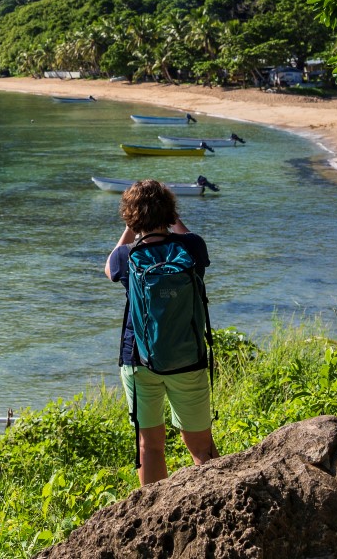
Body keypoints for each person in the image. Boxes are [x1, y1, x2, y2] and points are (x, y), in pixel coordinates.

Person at [105, 179, 219, 485]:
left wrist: (132, 227)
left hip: (139, 359)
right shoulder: (192, 247)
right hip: (188, 358)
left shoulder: (125, 256)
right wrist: (171, 218)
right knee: (202, 448)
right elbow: (184, 234)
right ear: (170, 212)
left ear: (130, 216)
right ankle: (216, 502)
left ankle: (153, 515)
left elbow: (109, 267)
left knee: (150, 447)